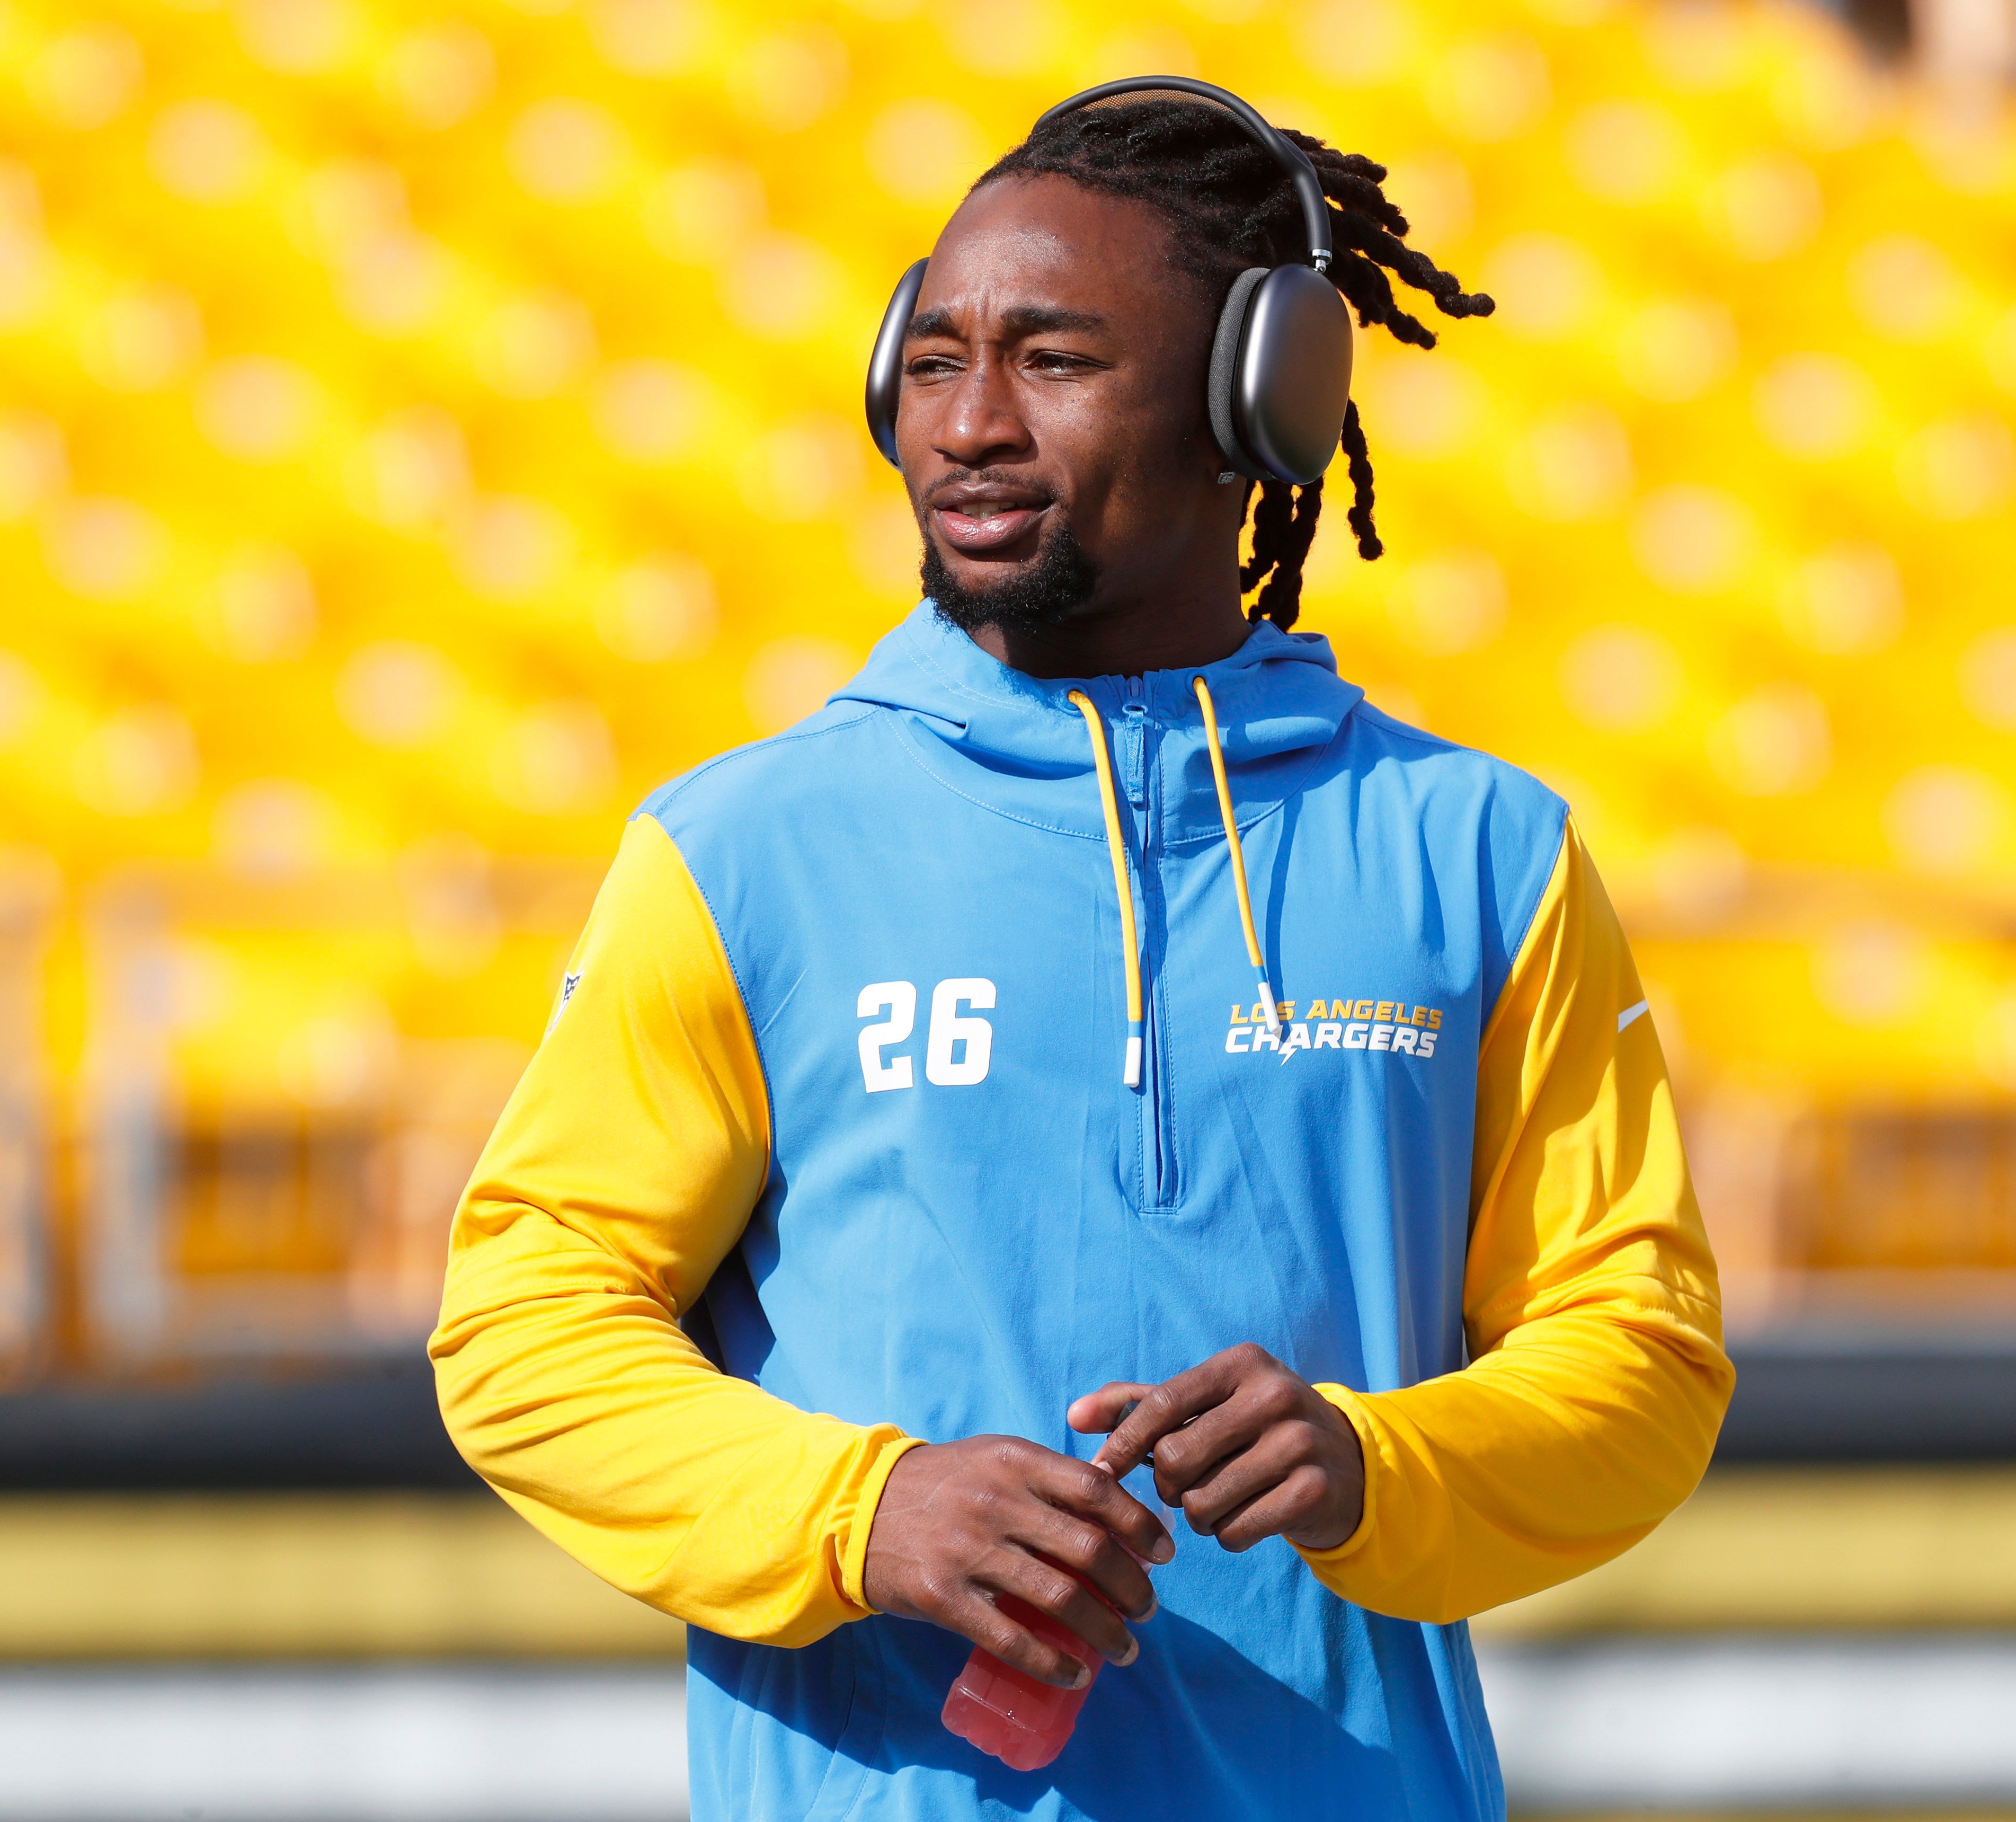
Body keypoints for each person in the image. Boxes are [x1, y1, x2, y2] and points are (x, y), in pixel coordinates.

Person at [430, 89, 1731, 1821]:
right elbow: (526, 1330)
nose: (962, 425)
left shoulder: (1477, 852)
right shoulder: (742, 849)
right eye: (936, 357)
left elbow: (1633, 1354)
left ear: (1253, 401)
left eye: (1047, 360)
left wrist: (1373, 1460)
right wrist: (865, 1512)